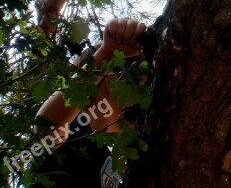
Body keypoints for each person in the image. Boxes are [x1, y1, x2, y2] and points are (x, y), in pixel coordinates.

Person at [29, 18, 147, 188]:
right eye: (135, 89)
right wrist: (106, 54)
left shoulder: (112, 160)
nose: (136, 106)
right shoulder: (73, 131)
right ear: (109, 81)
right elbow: (46, 128)